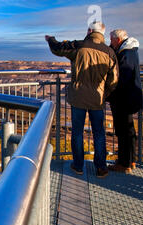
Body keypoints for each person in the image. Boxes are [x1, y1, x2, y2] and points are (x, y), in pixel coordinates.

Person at [45, 21, 118, 178]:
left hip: (78, 97)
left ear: (90, 30)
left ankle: (78, 166)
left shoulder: (79, 46)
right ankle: (101, 168)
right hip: (97, 100)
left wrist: (50, 39)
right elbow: (114, 80)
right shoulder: (109, 52)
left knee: (77, 132)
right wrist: (104, 94)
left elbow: (58, 48)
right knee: (99, 133)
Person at [107, 29, 143, 173]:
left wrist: (111, 91)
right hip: (129, 97)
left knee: (123, 131)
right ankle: (131, 160)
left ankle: (124, 163)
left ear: (118, 39)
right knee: (129, 130)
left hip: (123, 98)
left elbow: (123, 78)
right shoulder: (130, 51)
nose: (110, 42)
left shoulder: (126, 54)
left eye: (111, 40)